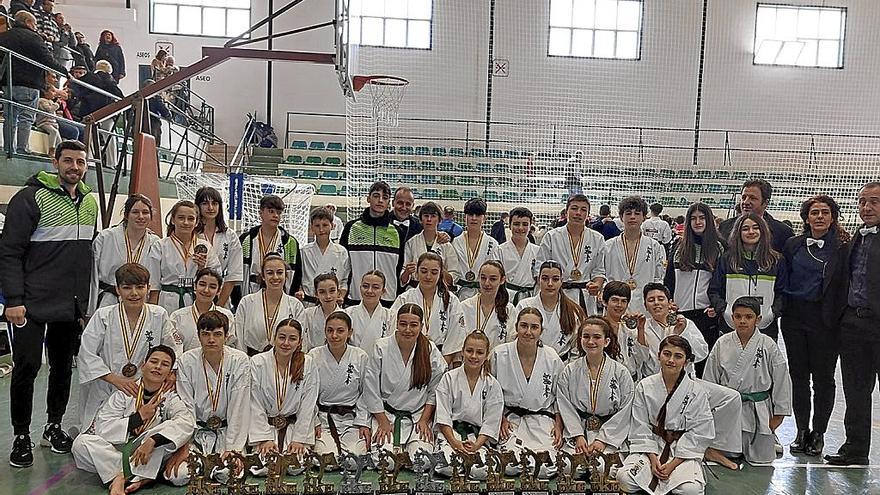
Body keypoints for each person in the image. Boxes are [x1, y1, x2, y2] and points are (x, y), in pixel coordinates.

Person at [0, 141, 97, 468]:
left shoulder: (89, 202)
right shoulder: (29, 198)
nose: (74, 166)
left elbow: (84, 256)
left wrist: (83, 303)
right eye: (68, 160)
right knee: (26, 369)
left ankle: (53, 426)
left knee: (61, 370)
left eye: (80, 162)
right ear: (54, 162)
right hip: (31, 304)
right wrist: (14, 300)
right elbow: (9, 252)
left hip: (68, 305)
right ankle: (21, 435)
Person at [633, 283, 743, 470]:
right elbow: (646, 363)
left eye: (661, 299)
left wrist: (682, 332)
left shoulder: (685, 323)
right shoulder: (641, 327)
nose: (656, 303)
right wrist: (641, 332)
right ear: (645, 305)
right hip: (658, 386)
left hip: (689, 384)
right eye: (651, 300)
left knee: (731, 398)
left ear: (670, 303)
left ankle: (714, 448)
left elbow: (701, 353)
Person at [71, 346, 196, 495]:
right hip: (121, 450)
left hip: (151, 451)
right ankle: (137, 477)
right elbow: (102, 427)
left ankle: (118, 476)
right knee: (81, 444)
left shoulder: (170, 396)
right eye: (154, 361)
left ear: (170, 373)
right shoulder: (126, 392)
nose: (157, 367)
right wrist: (138, 418)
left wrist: (153, 441)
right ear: (143, 365)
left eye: (164, 364)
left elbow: (186, 422)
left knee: (179, 473)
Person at [780, 195, 849, 457]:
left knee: (823, 379)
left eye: (824, 212)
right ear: (806, 217)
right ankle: (800, 431)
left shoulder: (843, 246)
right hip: (795, 318)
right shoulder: (793, 245)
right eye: (814, 212)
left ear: (833, 217)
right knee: (798, 377)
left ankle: (818, 432)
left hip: (826, 320)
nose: (819, 216)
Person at [77, 263, 183, 432]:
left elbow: (174, 348)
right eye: (127, 288)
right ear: (118, 290)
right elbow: (87, 353)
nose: (134, 293)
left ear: (148, 288)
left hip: (143, 387)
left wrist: (173, 372)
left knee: (143, 433)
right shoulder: (103, 315)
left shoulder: (159, 314)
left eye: (140, 287)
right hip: (108, 386)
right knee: (95, 439)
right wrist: (114, 379)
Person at [616, 336, 714, 495]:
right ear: (658, 355)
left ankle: (676, 474)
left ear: (686, 362)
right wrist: (653, 459)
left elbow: (700, 431)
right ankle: (657, 474)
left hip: (681, 450)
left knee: (691, 489)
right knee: (624, 478)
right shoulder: (644, 386)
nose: (671, 360)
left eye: (678, 356)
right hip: (652, 446)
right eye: (667, 354)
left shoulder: (696, 391)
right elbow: (639, 425)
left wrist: (672, 465)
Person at [825, 182, 880, 467]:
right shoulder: (857, 238)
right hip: (854, 326)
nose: (867, 207)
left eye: (874, 202)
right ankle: (856, 449)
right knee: (856, 391)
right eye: (862, 202)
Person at [165, 311, 251, 486]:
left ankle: (213, 466)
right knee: (178, 476)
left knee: (230, 474)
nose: (211, 339)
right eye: (206, 334)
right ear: (198, 336)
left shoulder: (240, 360)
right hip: (196, 433)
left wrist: (233, 449)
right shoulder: (186, 361)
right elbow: (186, 407)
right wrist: (184, 445)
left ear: (226, 336)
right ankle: (206, 466)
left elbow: (239, 407)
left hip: (227, 434)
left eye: (217, 334)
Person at [703, 297, 792, 465]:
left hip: (758, 411)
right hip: (727, 411)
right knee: (728, 453)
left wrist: (778, 416)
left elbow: (781, 380)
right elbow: (710, 381)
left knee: (761, 458)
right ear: (732, 318)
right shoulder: (722, 343)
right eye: (738, 316)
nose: (742, 321)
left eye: (748, 317)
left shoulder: (768, 345)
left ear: (757, 319)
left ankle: (770, 439)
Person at [361, 303, 447, 459]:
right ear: (397, 324)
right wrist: (383, 421)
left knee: (423, 460)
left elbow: (435, 389)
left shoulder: (429, 350)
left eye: (413, 325)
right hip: (387, 414)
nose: (408, 329)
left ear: (421, 326)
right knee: (384, 460)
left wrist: (424, 420)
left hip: (417, 416)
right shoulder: (382, 347)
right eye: (403, 324)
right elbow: (371, 388)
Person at [491, 308, 564, 477]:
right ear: (516, 327)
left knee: (546, 469)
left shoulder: (551, 357)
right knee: (510, 466)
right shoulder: (499, 354)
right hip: (510, 420)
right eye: (524, 326)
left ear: (541, 331)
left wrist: (559, 426)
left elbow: (560, 397)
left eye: (534, 327)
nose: (528, 332)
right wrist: (500, 419)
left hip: (542, 420)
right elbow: (490, 394)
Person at [557, 317, 634, 457]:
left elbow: (625, 410)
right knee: (570, 467)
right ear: (580, 340)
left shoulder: (621, 372)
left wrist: (602, 441)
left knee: (601, 468)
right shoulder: (569, 370)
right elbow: (565, 405)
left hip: (609, 435)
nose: (591, 341)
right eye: (586, 336)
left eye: (597, 337)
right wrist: (578, 436)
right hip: (579, 431)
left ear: (606, 341)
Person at [434, 330, 504, 480]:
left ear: (486, 356)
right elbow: (443, 415)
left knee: (482, 471)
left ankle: (468, 465)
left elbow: (492, 420)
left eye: (479, 352)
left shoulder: (492, 384)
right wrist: (455, 443)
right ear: (462, 352)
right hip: (452, 435)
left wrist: (477, 445)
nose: (474, 356)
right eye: (469, 351)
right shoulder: (449, 378)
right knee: (446, 467)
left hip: (477, 438)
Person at [664, 202, 724, 377]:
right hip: (680, 314)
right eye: (693, 218)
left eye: (702, 218)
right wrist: (669, 301)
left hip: (706, 316)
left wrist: (717, 305)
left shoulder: (719, 248)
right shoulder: (678, 247)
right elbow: (668, 280)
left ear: (709, 221)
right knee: (678, 362)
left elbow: (722, 283)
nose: (698, 222)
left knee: (703, 364)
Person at [709, 213, 786, 340]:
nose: (751, 232)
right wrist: (725, 311)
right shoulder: (727, 259)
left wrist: (772, 314)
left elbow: (782, 293)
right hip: (731, 324)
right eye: (745, 229)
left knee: (762, 359)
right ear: (738, 232)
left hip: (765, 325)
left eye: (756, 228)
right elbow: (714, 290)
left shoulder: (776, 260)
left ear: (763, 231)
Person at [0, 11, 67, 154]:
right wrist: (65, 72)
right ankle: (22, 149)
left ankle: (8, 149)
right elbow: (47, 60)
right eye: (35, 23)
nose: (36, 26)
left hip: (7, 83)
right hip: (29, 83)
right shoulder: (34, 37)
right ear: (28, 22)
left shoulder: (3, 37)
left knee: (9, 118)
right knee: (26, 117)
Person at [249, 318, 318, 457]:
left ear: (299, 342)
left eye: (292, 339)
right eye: (282, 337)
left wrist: (299, 439)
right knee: (265, 466)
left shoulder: (307, 363)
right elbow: (254, 402)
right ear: (274, 338)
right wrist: (264, 439)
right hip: (267, 429)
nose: (286, 343)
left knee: (295, 466)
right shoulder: (257, 362)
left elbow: (308, 405)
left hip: (293, 430)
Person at [309, 312, 371, 456]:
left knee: (354, 459)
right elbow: (307, 395)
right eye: (330, 330)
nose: (334, 335)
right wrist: (314, 421)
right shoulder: (313, 356)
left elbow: (366, 393)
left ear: (350, 333)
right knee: (327, 459)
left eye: (340, 331)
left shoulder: (360, 356)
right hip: (324, 420)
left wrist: (363, 422)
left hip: (351, 421)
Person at [89, 194, 161, 315]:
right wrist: (90, 310)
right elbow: (93, 276)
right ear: (126, 215)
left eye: (145, 212)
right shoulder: (106, 237)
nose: (141, 217)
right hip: (108, 300)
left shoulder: (155, 242)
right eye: (135, 212)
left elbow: (156, 280)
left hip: (140, 301)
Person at [145, 200, 221, 314]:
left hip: (196, 299)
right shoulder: (160, 246)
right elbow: (154, 284)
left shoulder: (205, 246)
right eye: (181, 218)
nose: (186, 222)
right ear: (172, 220)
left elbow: (216, 277)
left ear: (196, 222)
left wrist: (202, 269)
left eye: (191, 219)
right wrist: (152, 312)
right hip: (168, 300)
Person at [536, 194, 606, 314]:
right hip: (557, 294)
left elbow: (599, 270)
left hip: (585, 295)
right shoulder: (551, 236)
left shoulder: (597, 238)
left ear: (588, 214)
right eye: (574, 208)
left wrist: (597, 285)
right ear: (566, 211)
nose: (578, 213)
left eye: (583, 210)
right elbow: (540, 268)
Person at [391, 252, 466, 362]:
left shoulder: (451, 300)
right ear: (416, 273)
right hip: (408, 357)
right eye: (424, 271)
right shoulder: (404, 299)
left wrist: (442, 365)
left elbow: (455, 336)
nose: (428, 276)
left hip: (441, 359)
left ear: (440, 274)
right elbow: (394, 328)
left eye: (434, 272)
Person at [340, 181, 405, 306]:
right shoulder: (351, 228)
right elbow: (343, 265)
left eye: (385, 198)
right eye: (376, 196)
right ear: (368, 198)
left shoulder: (397, 232)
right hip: (356, 297)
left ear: (389, 203)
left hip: (388, 299)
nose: (380, 200)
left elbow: (400, 267)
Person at [598, 196, 666, 314]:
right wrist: (604, 291)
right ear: (621, 217)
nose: (632, 217)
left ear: (644, 217)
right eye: (628, 213)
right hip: (615, 304)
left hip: (644, 305)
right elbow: (601, 274)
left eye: (637, 213)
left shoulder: (654, 246)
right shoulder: (608, 246)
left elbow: (658, 278)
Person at [235, 253, 306, 356]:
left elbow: (301, 340)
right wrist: (243, 363)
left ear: (286, 276)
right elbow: (240, 340)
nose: (275, 277)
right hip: (251, 362)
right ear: (263, 276)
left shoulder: (296, 306)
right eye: (270, 273)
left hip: (285, 363)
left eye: (280, 272)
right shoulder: (246, 302)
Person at [516, 261, 586, 360]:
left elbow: (577, 346)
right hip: (529, 362)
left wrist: (568, 370)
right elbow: (515, 337)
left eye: (555, 279)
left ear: (561, 281)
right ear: (538, 280)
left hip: (562, 365)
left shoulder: (573, 310)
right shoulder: (524, 305)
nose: (550, 283)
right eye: (545, 279)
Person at [239, 194, 303, 298]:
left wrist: (290, 298)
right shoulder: (246, 240)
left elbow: (296, 275)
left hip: (280, 293)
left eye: (279, 213)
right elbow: (237, 271)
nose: (276, 216)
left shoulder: (290, 242)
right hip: (250, 292)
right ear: (261, 213)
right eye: (271, 211)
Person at [195, 186, 243, 308]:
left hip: (220, 295)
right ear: (197, 206)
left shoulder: (229, 235)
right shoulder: (192, 233)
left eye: (215, 203)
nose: (210, 208)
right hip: (193, 293)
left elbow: (233, 275)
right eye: (205, 203)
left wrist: (219, 305)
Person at [168, 268, 238, 352]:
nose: (206, 290)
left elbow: (230, 347)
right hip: (186, 363)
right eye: (202, 284)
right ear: (194, 286)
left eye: (212, 287)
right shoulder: (177, 316)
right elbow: (173, 348)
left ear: (218, 291)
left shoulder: (226, 315)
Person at [718, 179, 793, 253]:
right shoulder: (724, 227)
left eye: (752, 198)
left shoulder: (783, 232)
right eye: (743, 197)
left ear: (765, 203)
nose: (746, 202)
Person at [401, 201, 459, 290]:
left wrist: (440, 270)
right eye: (426, 216)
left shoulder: (446, 245)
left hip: (439, 291)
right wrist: (407, 272)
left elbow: (453, 277)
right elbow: (403, 279)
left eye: (433, 216)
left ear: (440, 220)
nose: (429, 220)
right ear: (420, 219)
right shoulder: (411, 243)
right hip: (415, 289)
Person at [300, 207, 351, 305]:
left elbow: (344, 280)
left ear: (332, 225)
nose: (321, 229)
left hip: (333, 302)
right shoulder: (304, 251)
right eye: (317, 226)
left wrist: (341, 296)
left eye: (325, 225)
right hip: (310, 303)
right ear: (311, 227)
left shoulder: (341, 252)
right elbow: (299, 279)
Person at [461, 261, 516, 350]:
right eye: (483, 278)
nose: (487, 283)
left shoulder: (509, 310)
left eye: (493, 279)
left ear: (502, 280)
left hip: (498, 361)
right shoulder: (464, 306)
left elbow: (511, 343)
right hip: (470, 360)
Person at [453, 197, 500, 300]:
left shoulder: (492, 243)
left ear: (484, 218)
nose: (474, 218)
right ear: (465, 217)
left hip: (484, 293)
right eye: (470, 215)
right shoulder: (455, 242)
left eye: (478, 215)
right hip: (459, 293)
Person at [497, 207, 538, 305]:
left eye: (525, 224)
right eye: (516, 224)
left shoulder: (538, 251)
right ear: (509, 226)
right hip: (507, 298)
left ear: (530, 226)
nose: (520, 228)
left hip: (531, 298)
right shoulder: (500, 250)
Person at [345, 270, 392, 355]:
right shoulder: (347, 314)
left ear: (383, 291)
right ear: (360, 288)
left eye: (375, 287)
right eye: (365, 286)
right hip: (353, 363)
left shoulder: (391, 316)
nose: (369, 291)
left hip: (380, 364)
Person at [601, 281, 639, 378]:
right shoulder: (597, 327)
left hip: (630, 377)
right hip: (605, 378)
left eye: (623, 301)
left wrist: (641, 328)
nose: (619, 305)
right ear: (605, 302)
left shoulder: (630, 327)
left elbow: (641, 357)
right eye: (614, 300)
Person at [301, 273, 342, 351]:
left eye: (332, 291)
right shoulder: (307, 314)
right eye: (322, 292)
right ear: (316, 294)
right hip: (312, 359)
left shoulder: (346, 315)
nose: (328, 296)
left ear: (338, 292)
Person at [36, 87, 62, 156]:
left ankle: (58, 153)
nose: (54, 93)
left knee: (59, 140)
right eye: (52, 91)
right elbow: (49, 109)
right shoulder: (41, 101)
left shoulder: (51, 102)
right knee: (53, 132)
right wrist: (57, 104)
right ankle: (51, 150)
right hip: (44, 122)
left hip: (52, 123)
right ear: (45, 92)